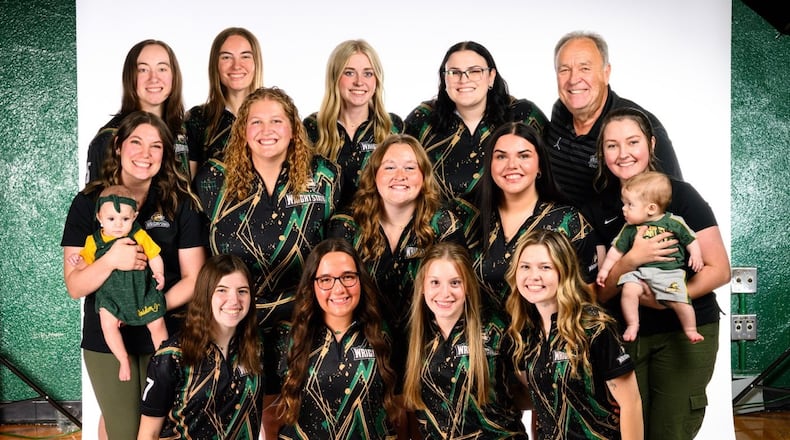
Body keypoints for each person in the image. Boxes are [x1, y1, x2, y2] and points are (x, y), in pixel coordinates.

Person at [62, 111, 207, 439]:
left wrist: (145, 306)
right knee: (125, 431)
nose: (146, 154)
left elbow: (195, 278)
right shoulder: (88, 205)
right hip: (108, 336)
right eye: (136, 143)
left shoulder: (179, 202)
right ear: (118, 146)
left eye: (156, 146)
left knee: (167, 428)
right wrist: (111, 260)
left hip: (163, 327)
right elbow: (75, 285)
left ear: (165, 154)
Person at [588, 107, 730, 440]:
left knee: (671, 428)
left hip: (685, 332)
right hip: (624, 335)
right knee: (623, 428)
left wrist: (670, 298)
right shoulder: (596, 209)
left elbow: (719, 270)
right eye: (612, 145)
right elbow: (597, 292)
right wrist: (630, 259)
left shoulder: (681, 196)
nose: (623, 154)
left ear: (651, 144)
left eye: (633, 142)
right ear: (602, 153)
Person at [194, 86, 340, 329]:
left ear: (293, 129)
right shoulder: (214, 178)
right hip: (232, 322)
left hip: (306, 323)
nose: (266, 130)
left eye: (276, 121)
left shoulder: (325, 177)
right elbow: (199, 260)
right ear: (242, 131)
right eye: (256, 122)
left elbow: (337, 258)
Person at [327, 133, 470, 346]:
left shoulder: (443, 225)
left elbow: (461, 293)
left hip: (427, 342)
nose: (400, 175)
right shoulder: (346, 226)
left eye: (411, 168)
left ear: (424, 176)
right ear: (374, 175)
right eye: (390, 167)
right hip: (362, 345)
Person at [506, 229, 643, 440]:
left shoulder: (593, 326)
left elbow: (631, 404)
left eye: (545, 267)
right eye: (525, 267)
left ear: (565, 271)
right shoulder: (523, 330)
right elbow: (539, 396)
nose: (534, 276)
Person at [264, 238, 398, 439]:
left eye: (348, 277)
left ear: (360, 279)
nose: (339, 289)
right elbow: (270, 417)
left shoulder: (383, 333)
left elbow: (400, 412)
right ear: (312, 285)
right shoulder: (286, 337)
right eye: (326, 279)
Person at [402, 242, 527, 439]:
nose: (445, 293)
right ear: (423, 287)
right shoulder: (415, 336)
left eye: (455, 282)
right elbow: (414, 409)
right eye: (435, 282)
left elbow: (536, 391)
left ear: (467, 286)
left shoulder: (496, 330)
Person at [544, 30, 682, 207]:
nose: (573, 79)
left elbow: (674, 200)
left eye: (585, 68)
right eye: (564, 70)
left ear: (606, 73)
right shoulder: (560, 111)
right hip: (557, 228)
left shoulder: (640, 127)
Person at [468, 121, 597, 311]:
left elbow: (588, 301)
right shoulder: (468, 219)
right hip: (480, 338)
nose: (512, 165)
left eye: (524, 156)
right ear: (490, 166)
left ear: (540, 166)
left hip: (548, 337)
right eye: (501, 157)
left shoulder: (569, 222)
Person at [138, 254, 263, 439]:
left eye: (242, 291)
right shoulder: (173, 355)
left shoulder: (256, 347)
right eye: (222, 290)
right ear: (206, 294)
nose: (234, 300)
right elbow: (149, 433)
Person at [404, 41, 548, 201]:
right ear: (444, 78)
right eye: (454, 72)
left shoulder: (523, 115)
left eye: (474, 71)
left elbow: (552, 173)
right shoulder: (423, 120)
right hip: (437, 224)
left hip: (514, 223)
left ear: (491, 76)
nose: (464, 80)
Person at [70, 185, 167, 382]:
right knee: (107, 323)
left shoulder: (138, 235)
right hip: (111, 296)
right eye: (111, 219)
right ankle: (123, 359)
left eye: (125, 219)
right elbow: (86, 265)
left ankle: (164, 358)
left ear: (134, 216)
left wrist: (159, 273)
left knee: (157, 322)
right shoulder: (93, 241)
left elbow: (154, 254)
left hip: (140, 291)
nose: (118, 225)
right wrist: (77, 262)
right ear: (99, 217)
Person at [596, 171, 704, 343]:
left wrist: (696, 255)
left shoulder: (673, 222)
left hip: (669, 274)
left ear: (651, 208)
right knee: (629, 289)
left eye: (630, 205)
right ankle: (633, 323)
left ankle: (690, 329)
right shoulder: (629, 229)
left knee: (681, 301)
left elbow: (690, 239)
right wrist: (605, 270)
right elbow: (616, 251)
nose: (624, 208)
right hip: (642, 274)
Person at [304, 39, 404, 209]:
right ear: (334, 77)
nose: (359, 81)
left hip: (376, 228)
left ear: (377, 79)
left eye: (368, 73)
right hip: (325, 231)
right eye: (349, 73)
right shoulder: (312, 127)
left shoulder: (393, 127)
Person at [86, 39, 188, 184]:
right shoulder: (109, 137)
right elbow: (95, 203)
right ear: (130, 77)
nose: (154, 78)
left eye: (162, 69)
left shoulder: (184, 132)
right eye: (143, 70)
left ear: (174, 76)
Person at [185, 27, 263, 177]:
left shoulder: (277, 116)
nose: (236, 66)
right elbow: (188, 188)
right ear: (215, 65)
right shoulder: (197, 120)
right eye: (226, 57)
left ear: (256, 63)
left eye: (245, 56)